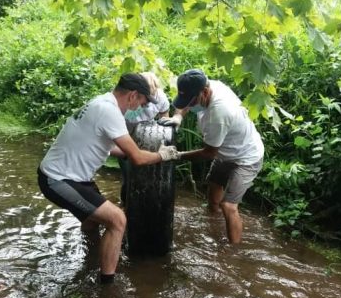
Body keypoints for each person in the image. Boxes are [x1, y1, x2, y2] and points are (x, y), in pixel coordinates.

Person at [38, 72, 179, 284]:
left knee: (92, 220)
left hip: (70, 176)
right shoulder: (110, 112)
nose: (141, 106)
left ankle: (91, 260)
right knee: (117, 220)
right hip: (59, 179)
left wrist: (132, 152)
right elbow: (138, 158)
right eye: (142, 101)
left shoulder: (101, 102)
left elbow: (106, 146)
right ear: (132, 95)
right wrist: (162, 155)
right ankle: (107, 286)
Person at [159, 69, 264, 244]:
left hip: (246, 157)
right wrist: (178, 116)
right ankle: (214, 226)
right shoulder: (207, 85)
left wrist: (176, 155)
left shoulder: (219, 113)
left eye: (192, 102)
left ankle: (232, 252)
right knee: (213, 197)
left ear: (205, 92)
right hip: (225, 151)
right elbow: (186, 102)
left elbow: (209, 153)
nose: (190, 106)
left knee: (228, 206)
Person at [119, 71, 170, 205]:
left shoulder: (160, 97)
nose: (146, 101)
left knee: (148, 176)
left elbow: (164, 117)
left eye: (151, 94)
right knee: (129, 176)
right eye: (145, 97)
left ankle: (145, 204)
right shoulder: (126, 101)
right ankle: (126, 205)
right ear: (136, 93)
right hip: (126, 138)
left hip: (148, 138)